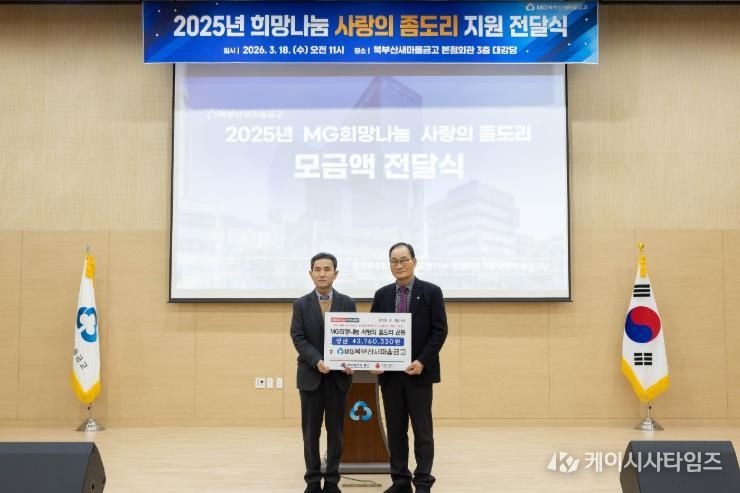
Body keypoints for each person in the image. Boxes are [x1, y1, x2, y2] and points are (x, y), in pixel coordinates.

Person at [370, 242, 448, 493]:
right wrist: (375, 360)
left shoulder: (431, 292)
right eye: (394, 261)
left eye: (404, 260)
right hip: (391, 377)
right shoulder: (382, 294)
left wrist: (422, 361)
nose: (399, 265)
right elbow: (373, 332)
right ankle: (400, 481)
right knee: (396, 431)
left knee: (422, 432)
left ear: (414, 261)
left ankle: (423, 481)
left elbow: (439, 331)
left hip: (419, 374)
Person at [291, 252, 356, 493]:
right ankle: (312, 481)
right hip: (311, 377)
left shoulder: (347, 303)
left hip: (338, 379)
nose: (322, 274)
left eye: (327, 269)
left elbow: (353, 337)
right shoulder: (300, 304)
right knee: (310, 433)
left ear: (335, 274)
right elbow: (298, 337)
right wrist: (317, 360)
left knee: (336, 433)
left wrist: (351, 360)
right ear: (311, 274)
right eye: (317, 269)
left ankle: (331, 481)